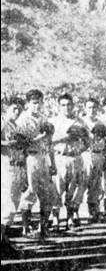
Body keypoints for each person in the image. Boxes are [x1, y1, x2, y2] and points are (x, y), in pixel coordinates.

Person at [16, 89, 60, 239]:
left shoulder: (43, 118)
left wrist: (52, 163)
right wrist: (41, 136)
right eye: (34, 103)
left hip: (43, 157)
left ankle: (43, 228)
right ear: (28, 103)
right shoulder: (23, 119)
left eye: (39, 102)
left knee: (46, 194)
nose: (37, 106)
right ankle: (25, 228)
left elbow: (50, 143)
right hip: (30, 157)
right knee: (30, 192)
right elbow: (21, 144)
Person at [49, 93, 90, 229]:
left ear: (73, 105)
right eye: (63, 105)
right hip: (60, 156)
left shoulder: (79, 122)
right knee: (57, 189)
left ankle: (70, 216)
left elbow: (87, 141)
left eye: (69, 105)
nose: (66, 107)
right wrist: (64, 138)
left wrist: (80, 149)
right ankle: (55, 218)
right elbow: (47, 142)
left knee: (73, 189)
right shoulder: (53, 121)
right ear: (59, 106)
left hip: (74, 157)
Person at [1, 97, 27, 257]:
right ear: (6, 109)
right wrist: (5, 143)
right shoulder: (3, 124)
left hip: (18, 167)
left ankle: (4, 239)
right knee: (7, 206)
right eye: (13, 109)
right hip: (6, 167)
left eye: (19, 109)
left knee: (14, 205)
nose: (16, 112)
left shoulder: (16, 126)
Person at [80, 98, 106, 223]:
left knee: (96, 184)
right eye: (89, 107)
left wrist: (105, 157)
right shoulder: (81, 122)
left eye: (94, 107)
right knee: (82, 183)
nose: (92, 110)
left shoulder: (101, 123)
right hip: (86, 154)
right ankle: (76, 212)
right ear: (85, 108)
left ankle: (93, 211)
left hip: (98, 154)